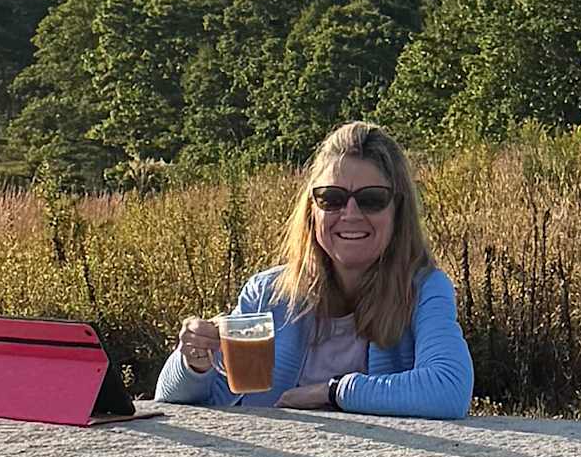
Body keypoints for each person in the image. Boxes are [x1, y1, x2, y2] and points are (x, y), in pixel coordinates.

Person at [155, 122, 475, 416]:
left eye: (371, 199)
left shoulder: (423, 289)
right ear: (311, 209)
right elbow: (175, 399)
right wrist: (194, 363)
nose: (350, 214)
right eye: (331, 198)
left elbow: (448, 389)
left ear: (398, 210)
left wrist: (334, 392)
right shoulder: (268, 294)